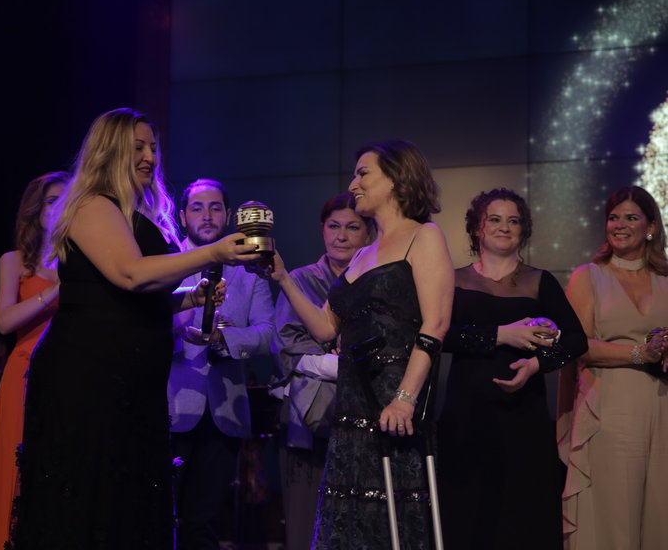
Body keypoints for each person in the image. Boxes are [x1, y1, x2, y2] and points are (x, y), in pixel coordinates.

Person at [10, 108, 261, 549]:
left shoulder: (134, 212)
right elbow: (129, 274)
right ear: (110, 151)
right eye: (138, 147)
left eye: (153, 147)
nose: (149, 156)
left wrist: (190, 299)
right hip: (91, 377)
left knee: (128, 504)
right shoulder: (91, 205)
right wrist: (213, 253)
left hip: (130, 382)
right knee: (91, 500)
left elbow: (133, 299)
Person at [267, 140, 453, 549]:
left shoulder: (423, 236)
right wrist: (283, 278)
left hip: (395, 405)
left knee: (390, 520)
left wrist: (405, 398)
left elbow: (436, 324)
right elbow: (324, 329)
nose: (353, 184)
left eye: (363, 173)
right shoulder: (362, 254)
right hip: (351, 409)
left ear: (396, 178)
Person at [437, 188, 588, 550]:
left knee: (522, 515)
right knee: (467, 513)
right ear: (477, 228)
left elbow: (576, 341)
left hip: (523, 416)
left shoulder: (540, 281)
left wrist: (536, 364)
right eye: (495, 219)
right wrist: (501, 335)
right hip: (465, 414)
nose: (504, 227)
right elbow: (440, 337)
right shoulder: (453, 280)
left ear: (523, 230)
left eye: (513, 221)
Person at [168, 178, 275, 550]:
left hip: (224, 410)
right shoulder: (166, 262)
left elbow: (268, 333)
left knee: (205, 524)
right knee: (159, 517)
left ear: (229, 216)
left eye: (215, 207)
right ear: (183, 216)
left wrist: (222, 338)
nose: (207, 215)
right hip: (170, 405)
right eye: (197, 207)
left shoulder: (248, 268)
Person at [559, 185, 668, 550]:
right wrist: (641, 354)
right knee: (615, 511)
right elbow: (579, 346)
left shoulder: (666, 279)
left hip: (663, 408)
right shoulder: (588, 276)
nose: (620, 225)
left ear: (650, 227)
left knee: (661, 510)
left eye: (631, 217)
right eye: (613, 218)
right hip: (610, 408)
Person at [0, 171, 70, 550]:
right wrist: (55, 291)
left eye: (67, 200)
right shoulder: (14, 262)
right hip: (24, 373)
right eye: (52, 200)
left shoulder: (80, 262)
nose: (60, 207)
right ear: (35, 209)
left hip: (67, 375)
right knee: (16, 471)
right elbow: (4, 320)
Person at [271, 192, 372, 550]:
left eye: (352, 227)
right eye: (333, 226)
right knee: (305, 521)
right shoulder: (300, 280)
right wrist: (340, 361)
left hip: (366, 414)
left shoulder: (376, 281)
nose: (341, 236)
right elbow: (287, 347)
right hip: (308, 416)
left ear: (369, 233)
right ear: (322, 229)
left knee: (358, 522)